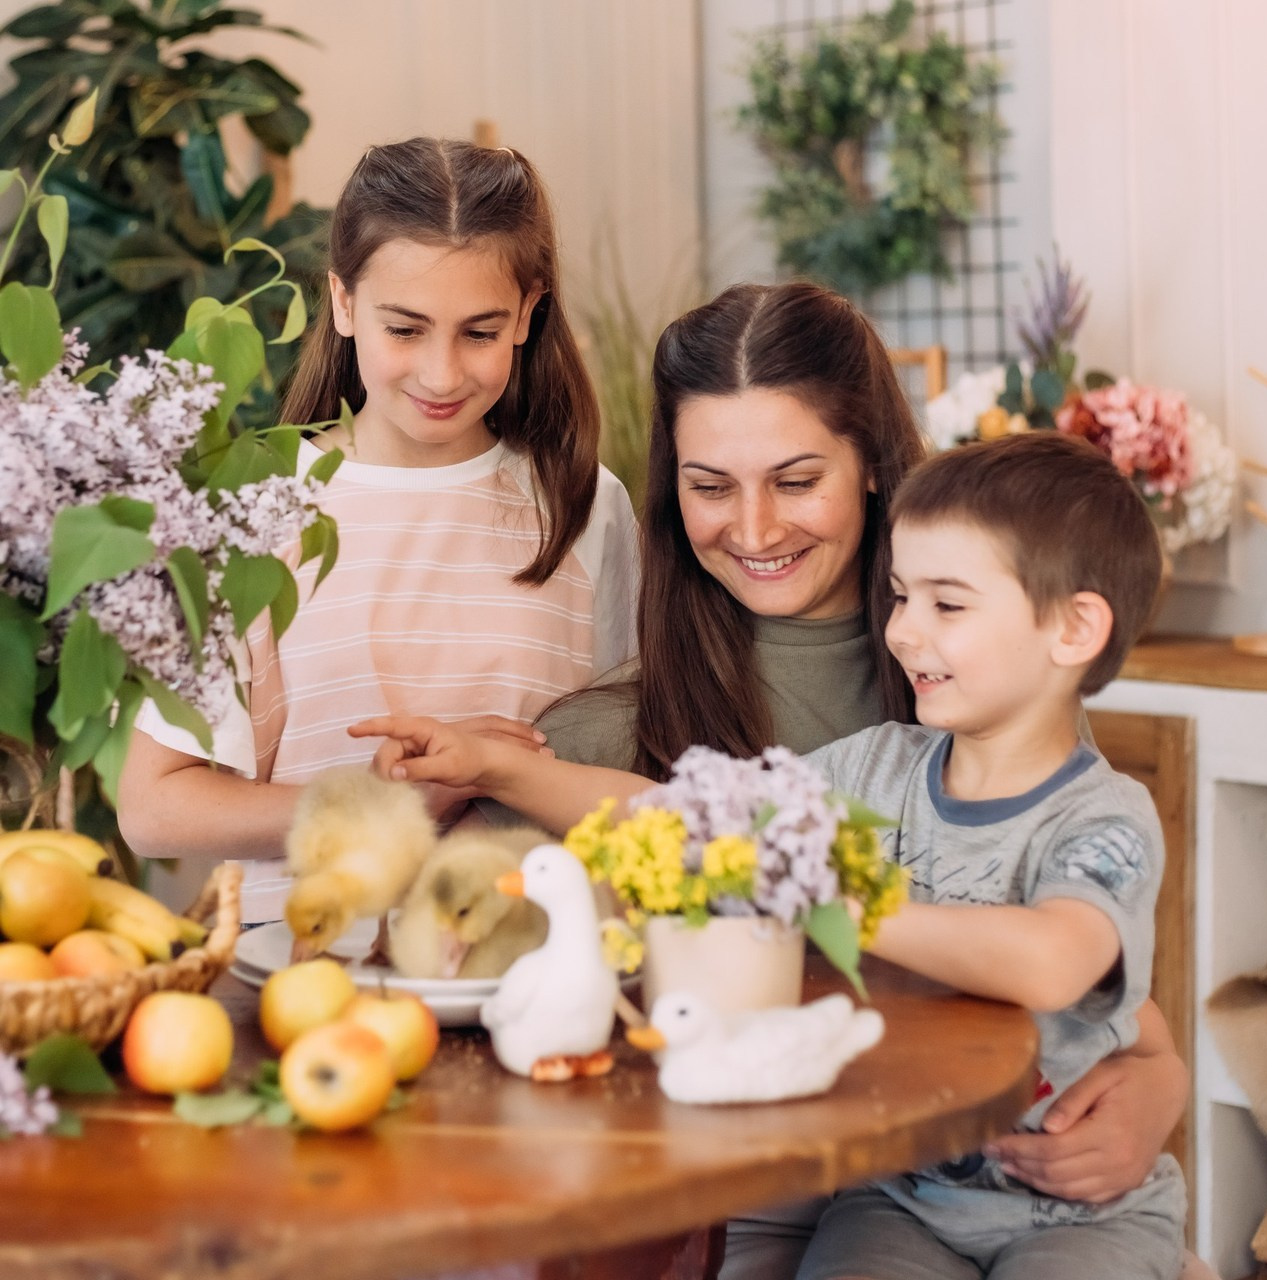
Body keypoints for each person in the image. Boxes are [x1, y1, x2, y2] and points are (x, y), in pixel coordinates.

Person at [348, 282, 1189, 1271]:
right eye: (709, 485)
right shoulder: (618, 728)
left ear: (873, 465)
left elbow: (1071, 972)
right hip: (789, 1210)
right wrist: (502, 769)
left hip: (1034, 1196)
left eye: (794, 479)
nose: (751, 526)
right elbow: (676, 822)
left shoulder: (973, 688)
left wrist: (1156, 1083)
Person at [117, 137, 638, 924]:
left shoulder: (585, 507)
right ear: (344, 302)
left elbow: (628, 767)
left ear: (529, 315)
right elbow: (155, 808)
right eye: (406, 329)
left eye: (480, 331)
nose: (441, 373)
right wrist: (393, 807)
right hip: (303, 976)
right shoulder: (256, 504)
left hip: (535, 968)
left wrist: (498, 777)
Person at [786, 431, 1184, 1279]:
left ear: (1073, 629)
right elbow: (689, 815)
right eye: (899, 597)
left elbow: (1050, 965)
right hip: (899, 1201)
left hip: (1087, 1219)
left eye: (947, 604)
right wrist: (513, 769)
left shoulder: (1106, 818)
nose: (902, 632)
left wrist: (848, 904)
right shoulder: (873, 770)